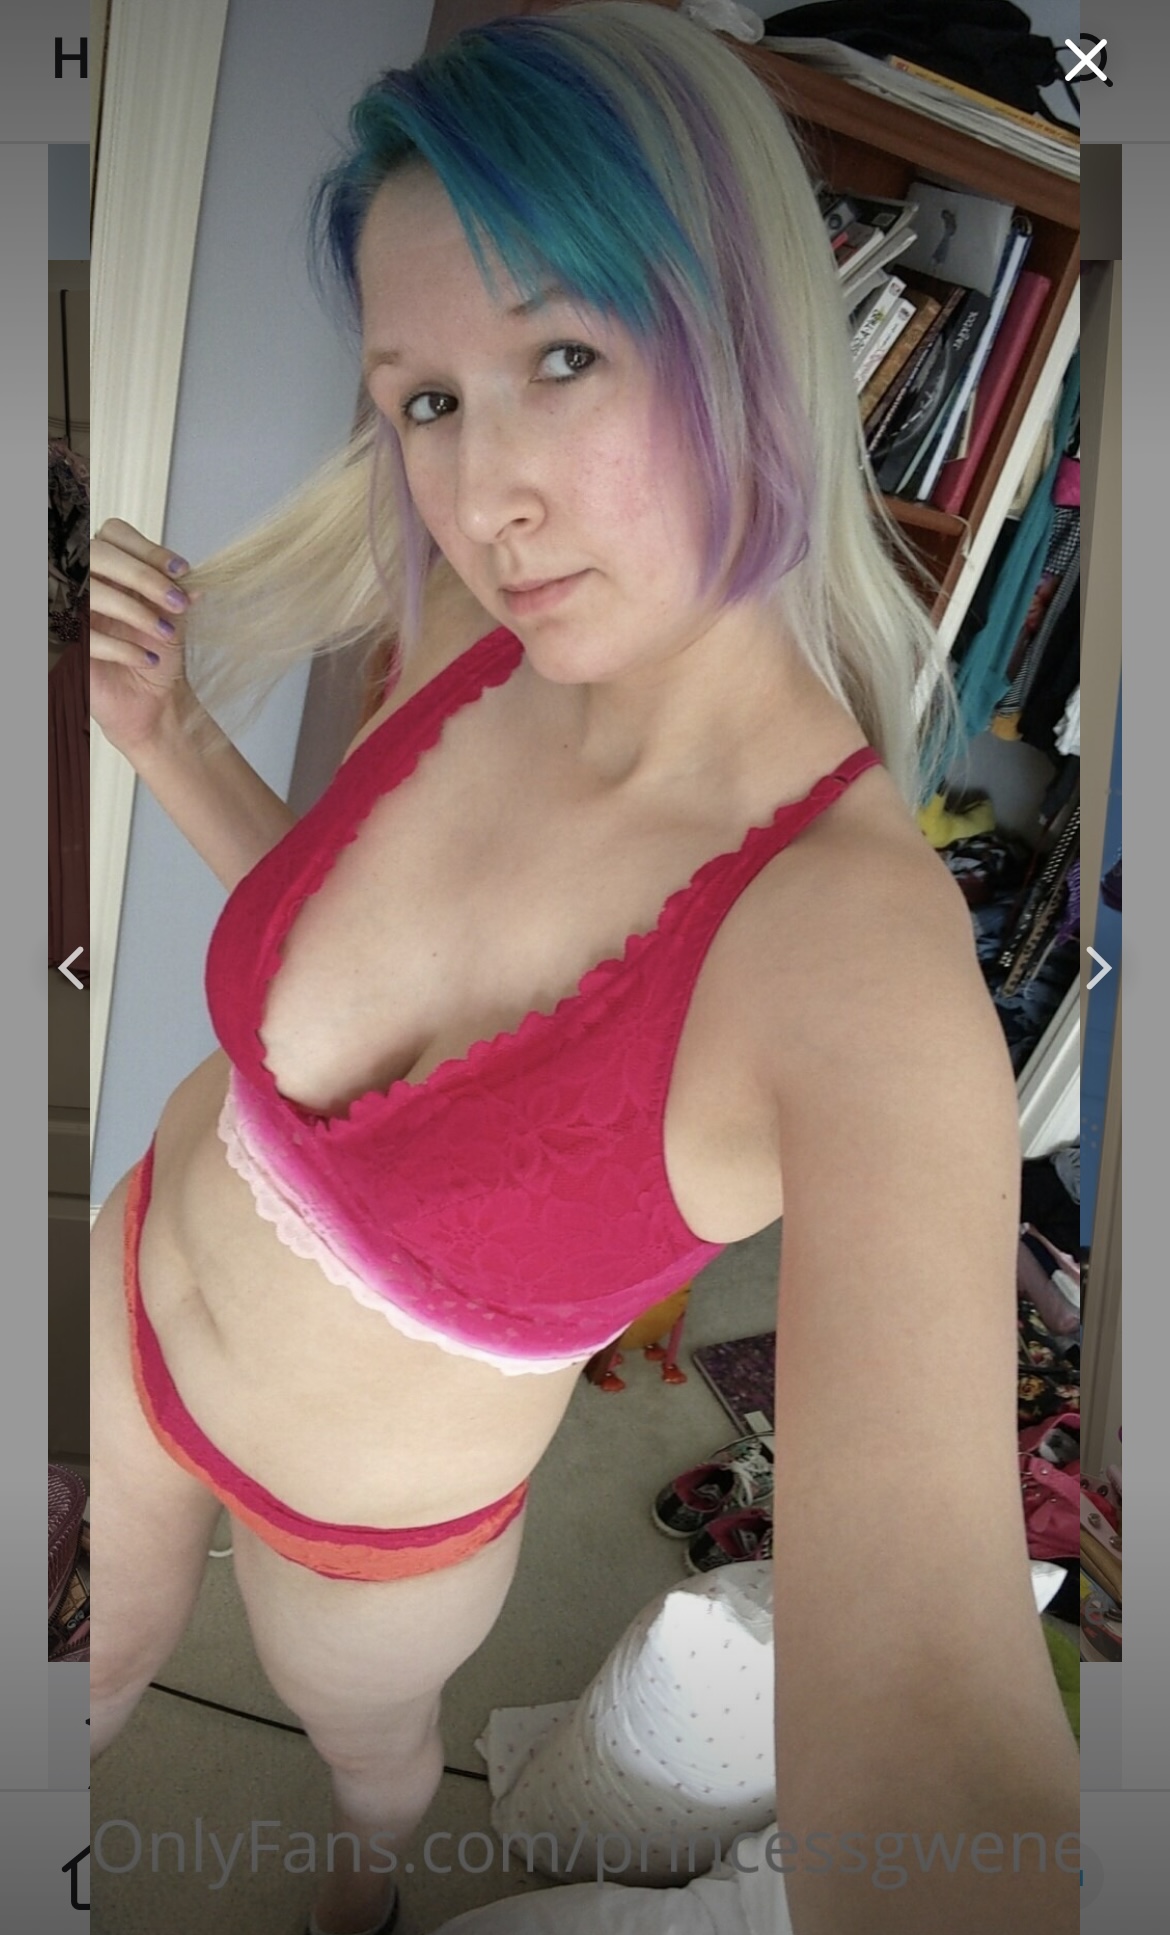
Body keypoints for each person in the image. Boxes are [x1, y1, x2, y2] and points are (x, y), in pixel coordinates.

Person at [89, 7, 1079, 1933]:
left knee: (366, 1779)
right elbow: (343, 945)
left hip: (365, 1535)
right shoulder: (483, 633)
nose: (484, 497)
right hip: (126, 1290)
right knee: (83, 1683)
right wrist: (170, 738)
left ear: (749, 341)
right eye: (425, 402)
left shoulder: (856, 968)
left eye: (562, 358)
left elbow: (922, 1696)